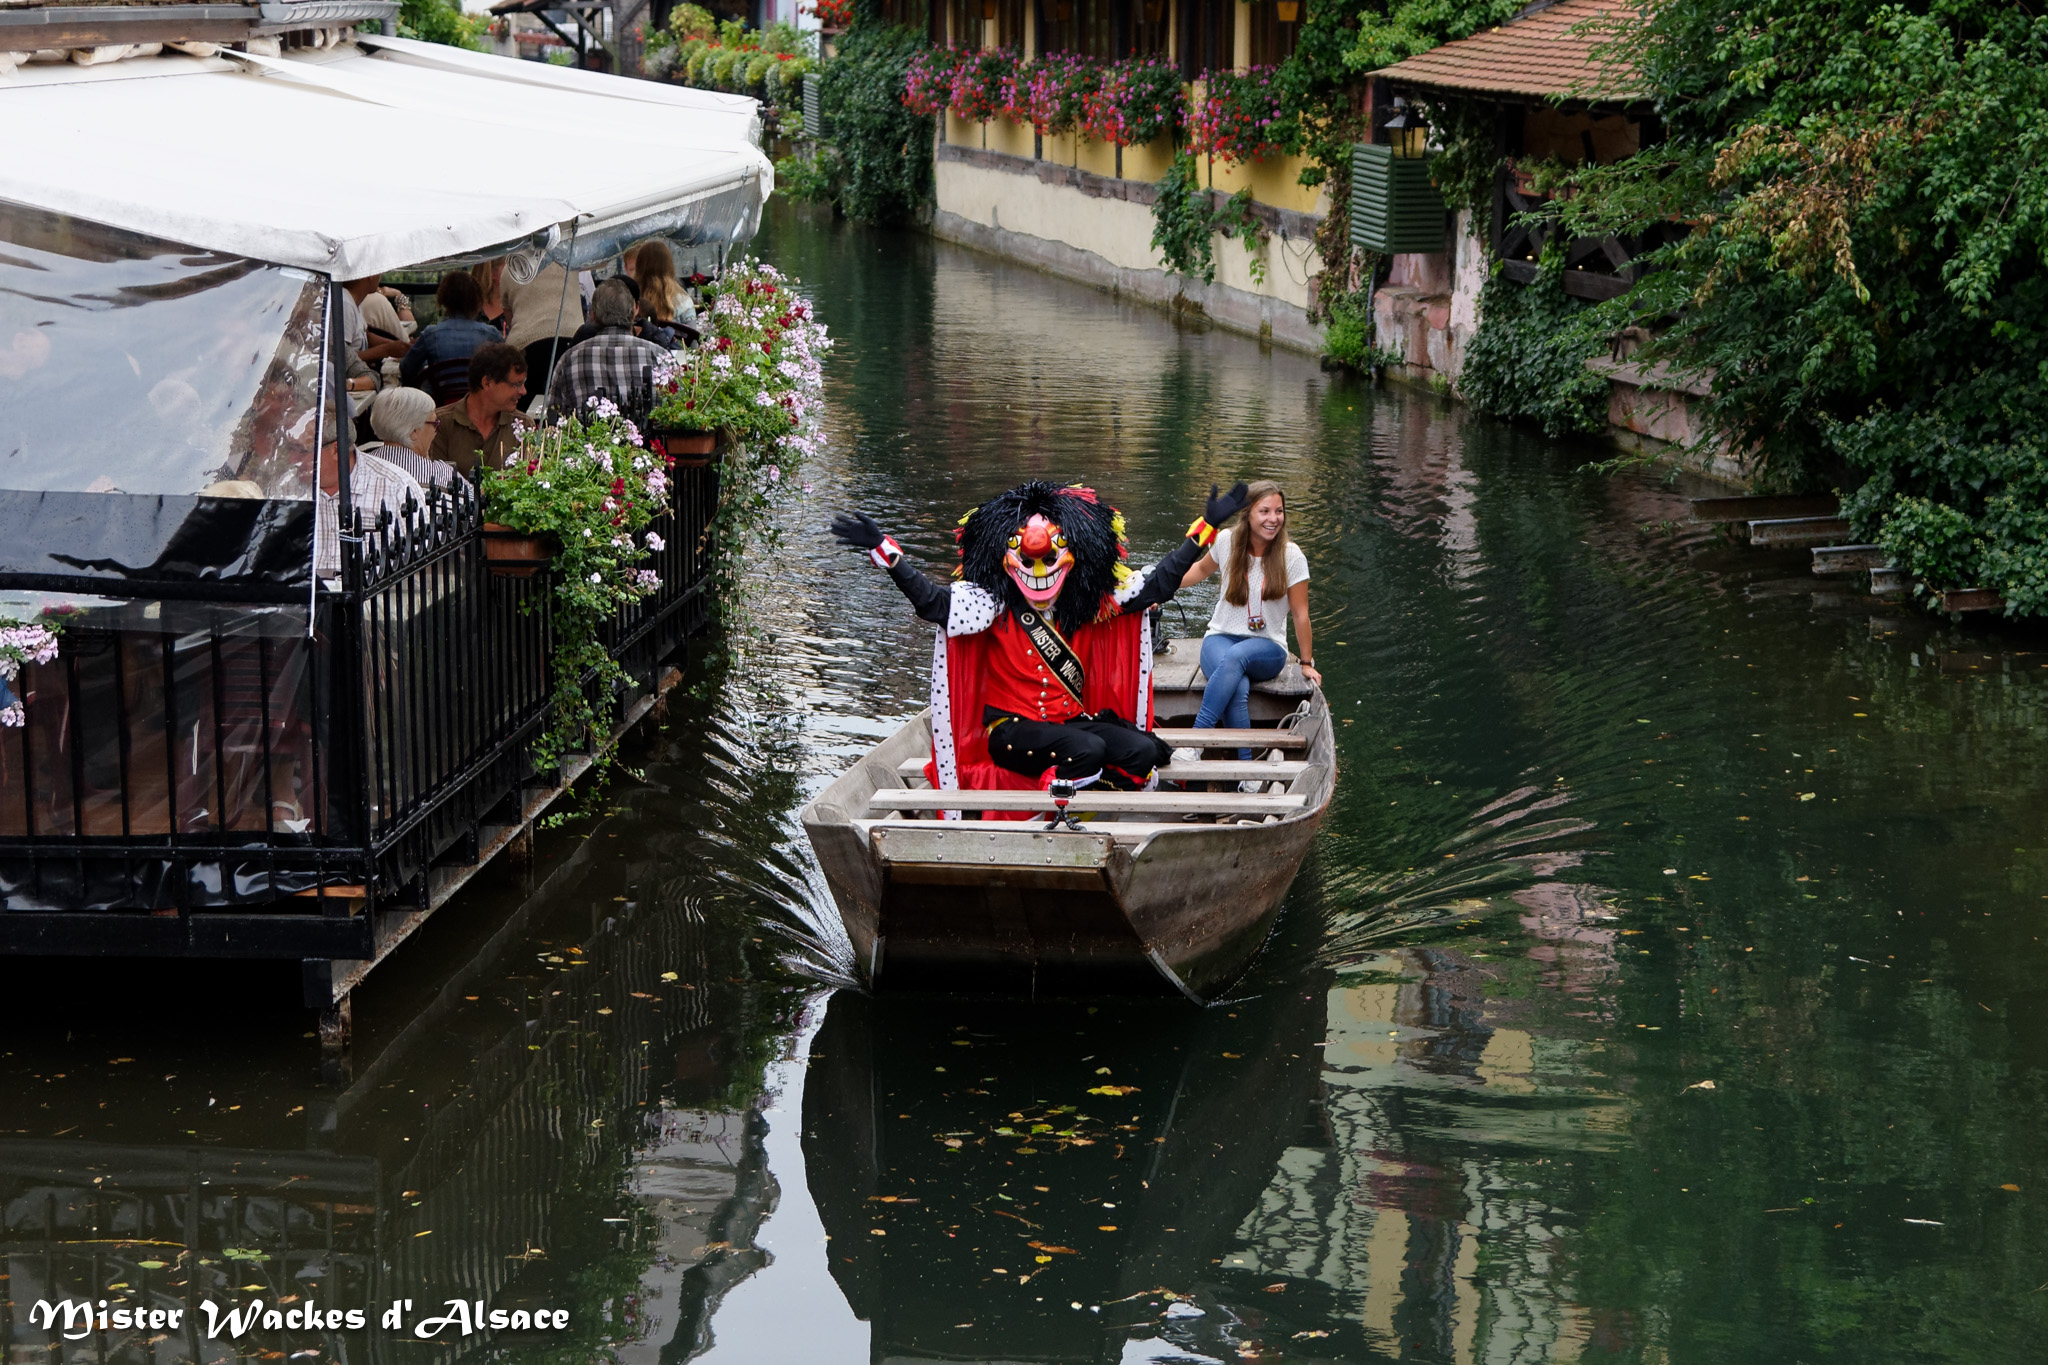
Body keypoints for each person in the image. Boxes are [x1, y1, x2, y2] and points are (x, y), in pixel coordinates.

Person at [830, 480, 1251, 799]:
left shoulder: (1085, 603)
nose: (1039, 569)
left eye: (1050, 558)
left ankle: (1092, 787)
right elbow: (934, 604)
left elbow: (1157, 584)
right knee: (1087, 750)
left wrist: (1207, 526)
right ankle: (1064, 791)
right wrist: (887, 552)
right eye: (1028, 559)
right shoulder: (990, 604)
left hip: (1068, 724)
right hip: (1010, 731)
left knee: (1147, 751)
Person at [1177, 479, 1319, 764]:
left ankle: (1195, 742)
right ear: (1248, 514)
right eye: (1264, 511)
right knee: (1237, 683)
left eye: (1278, 511)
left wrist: (1306, 662)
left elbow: (1301, 613)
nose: (1273, 519)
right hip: (1220, 638)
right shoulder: (1227, 541)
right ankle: (1246, 767)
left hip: (1267, 647)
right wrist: (1159, 587)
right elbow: (1198, 570)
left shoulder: (1292, 556)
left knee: (1238, 656)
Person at [312, 398, 427, 580]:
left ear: (336, 450)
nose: (293, 459)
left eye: (301, 450)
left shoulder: (395, 487)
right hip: (303, 604)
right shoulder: (285, 486)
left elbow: (424, 565)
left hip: (372, 603)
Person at [546, 279, 669, 419]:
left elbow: (553, 416)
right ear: (634, 311)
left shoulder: (569, 359)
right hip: (648, 440)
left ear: (593, 315)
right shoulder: (659, 356)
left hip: (589, 440)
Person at [399, 270, 503, 405]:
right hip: (482, 407)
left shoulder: (431, 334)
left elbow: (406, 368)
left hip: (441, 409)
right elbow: (507, 369)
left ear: (443, 300)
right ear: (477, 300)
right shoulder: (491, 335)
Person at [429, 342, 528, 475]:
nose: (523, 391)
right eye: (516, 384)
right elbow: (435, 479)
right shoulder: (440, 423)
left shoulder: (523, 426)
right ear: (487, 383)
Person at [503, 261, 585, 398]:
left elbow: (509, 318)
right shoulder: (567, 260)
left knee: (524, 403)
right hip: (572, 339)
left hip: (525, 345)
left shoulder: (510, 268)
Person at [364, 386, 457, 488]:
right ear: (414, 431)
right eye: (435, 423)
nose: (435, 431)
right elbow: (473, 500)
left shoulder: (358, 467)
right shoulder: (443, 474)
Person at [630, 240, 697, 349]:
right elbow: (693, 343)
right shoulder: (684, 301)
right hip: (675, 362)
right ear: (669, 265)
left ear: (639, 265)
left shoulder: (630, 299)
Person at [473, 258, 511, 338]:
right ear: (492, 273)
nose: (514, 273)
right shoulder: (468, 309)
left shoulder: (515, 306)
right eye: (509, 267)